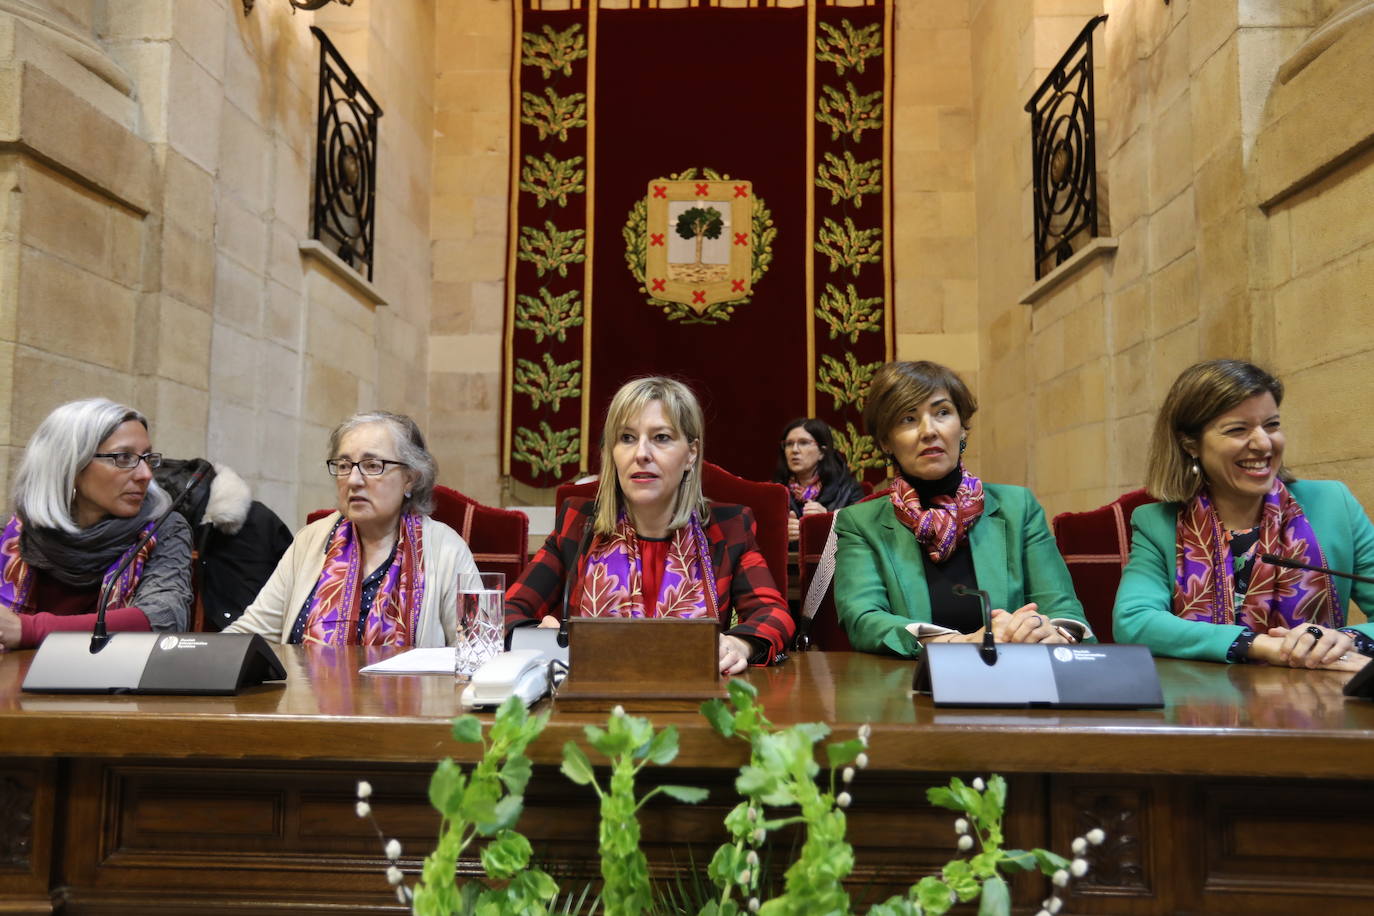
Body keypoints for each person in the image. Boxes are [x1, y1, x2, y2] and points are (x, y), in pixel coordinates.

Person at [505, 377, 795, 674]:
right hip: (593, 700)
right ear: (612, 453)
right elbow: (508, 611)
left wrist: (739, 645)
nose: (641, 453)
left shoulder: (729, 526)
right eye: (627, 438)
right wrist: (538, 635)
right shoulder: (579, 524)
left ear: (691, 453)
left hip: (693, 703)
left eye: (661, 437)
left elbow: (773, 614)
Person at [1113, 360, 1374, 669]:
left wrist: (1342, 640)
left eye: (1272, 425)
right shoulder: (1156, 522)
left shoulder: (1333, 504)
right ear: (1190, 444)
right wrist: (1258, 645)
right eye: (1238, 429)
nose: (1263, 443)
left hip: (1318, 707)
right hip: (1200, 708)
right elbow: (1134, 622)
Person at [834, 361, 1090, 656]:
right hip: (912, 687)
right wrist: (957, 644)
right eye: (908, 419)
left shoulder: (1018, 507)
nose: (929, 431)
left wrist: (1050, 632)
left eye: (942, 412)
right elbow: (863, 619)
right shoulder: (859, 522)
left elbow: (1064, 608)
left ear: (963, 428)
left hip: (1017, 681)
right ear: (886, 442)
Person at [225, 412, 478, 647]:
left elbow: (475, 649)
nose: (354, 480)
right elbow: (252, 634)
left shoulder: (446, 550)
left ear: (410, 478)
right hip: (306, 694)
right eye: (344, 466)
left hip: (410, 696)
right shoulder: (310, 540)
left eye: (372, 465)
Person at [0, 398, 192, 649]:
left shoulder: (164, 528)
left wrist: (28, 630)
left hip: (111, 683)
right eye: (123, 457)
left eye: (147, 458)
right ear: (70, 464)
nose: (146, 475)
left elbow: (164, 618)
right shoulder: (13, 530)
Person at [773, 417, 863, 541]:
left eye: (803, 442)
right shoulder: (774, 491)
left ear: (822, 452)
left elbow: (862, 535)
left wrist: (828, 521)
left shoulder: (848, 489)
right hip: (789, 559)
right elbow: (759, 538)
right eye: (789, 444)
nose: (794, 450)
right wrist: (780, 534)